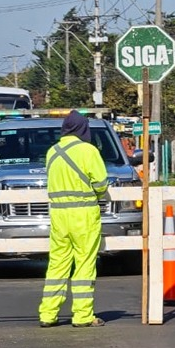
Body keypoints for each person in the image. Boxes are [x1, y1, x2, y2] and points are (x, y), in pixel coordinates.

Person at [38, 110, 108, 328]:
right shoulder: (88, 151)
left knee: (57, 264)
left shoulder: (52, 152)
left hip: (59, 216)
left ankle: (48, 314)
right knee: (84, 265)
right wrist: (96, 195)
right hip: (84, 215)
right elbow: (100, 183)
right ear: (83, 129)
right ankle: (82, 315)